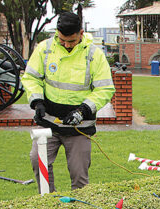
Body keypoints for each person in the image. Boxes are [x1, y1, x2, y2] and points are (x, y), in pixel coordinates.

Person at [22, 12, 115, 193]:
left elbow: (105, 89)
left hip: (79, 126)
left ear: (81, 33)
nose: (65, 44)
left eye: (71, 41)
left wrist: (83, 110)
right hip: (48, 123)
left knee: (79, 176)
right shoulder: (45, 48)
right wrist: (37, 101)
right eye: (62, 39)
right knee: (38, 162)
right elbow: (31, 78)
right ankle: (48, 205)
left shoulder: (94, 54)